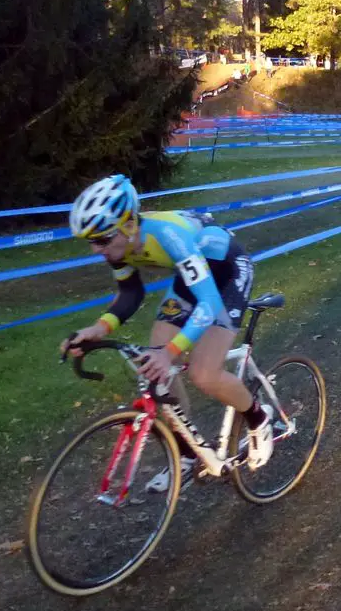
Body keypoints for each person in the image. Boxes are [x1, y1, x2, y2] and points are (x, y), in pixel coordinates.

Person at [60, 174, 272, 491]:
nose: (95, 249)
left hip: (228, 271)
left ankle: (259, 421)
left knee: (204, 373)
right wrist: (98, 328)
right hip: (194, 272)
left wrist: (171, 351)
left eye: (101, 240)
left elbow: (210, 302)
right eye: (90, 241)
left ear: (129, 225)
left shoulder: (167, 236)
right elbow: (131, 294)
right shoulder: (120, 244)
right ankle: (186, 454)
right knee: (155, 371)